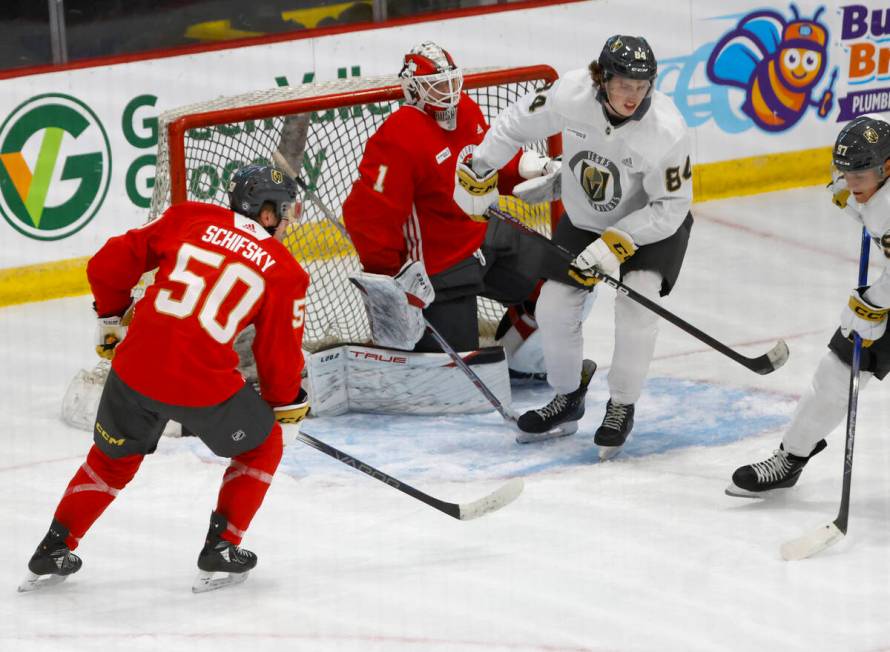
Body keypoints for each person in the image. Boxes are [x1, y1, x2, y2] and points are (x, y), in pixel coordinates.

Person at [20, 165, 310, 593]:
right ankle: (222, 547)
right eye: (283, 212)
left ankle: (53, 548)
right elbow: (279, 358)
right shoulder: (287, 271)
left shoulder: (189, 216)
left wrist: (110, 316)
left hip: (134, 366)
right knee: (262, 445)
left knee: (111, 460)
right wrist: (286, 405)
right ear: (265, 214)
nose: (286, 221)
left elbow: (108, 262)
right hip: (201, 384)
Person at [455, 35, 694, 456]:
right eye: (624, 85)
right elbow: (514, 124)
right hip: (587, 219)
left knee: (636, 306)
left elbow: (671, 206)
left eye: (642, 86)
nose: (633, 96)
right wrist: (481, 166)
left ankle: (621, 405)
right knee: (553, 304)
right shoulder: (572, 91)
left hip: (651, 226)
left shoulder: (667, 130)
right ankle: (568, 396)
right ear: (602, 79)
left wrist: (619, 241)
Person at [342, 41, 562, 366]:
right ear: (414, 90)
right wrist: (390, 280)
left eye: (450, 82)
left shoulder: (467, 111)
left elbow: (490, 163)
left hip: (484, 239)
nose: (447, 93)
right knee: (457, 372)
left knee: (568, 280)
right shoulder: (398, 136)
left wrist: (534, 167)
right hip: (439, 269)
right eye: (436, 86)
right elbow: (367, 216)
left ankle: (519, 362)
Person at [727, 114, 890, 497]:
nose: (851, 185)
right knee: (837, 367)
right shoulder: (877, 185)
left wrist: (871, 306)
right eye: (847, 175)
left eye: (859, 178)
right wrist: (853, 198)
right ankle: (790, 458)